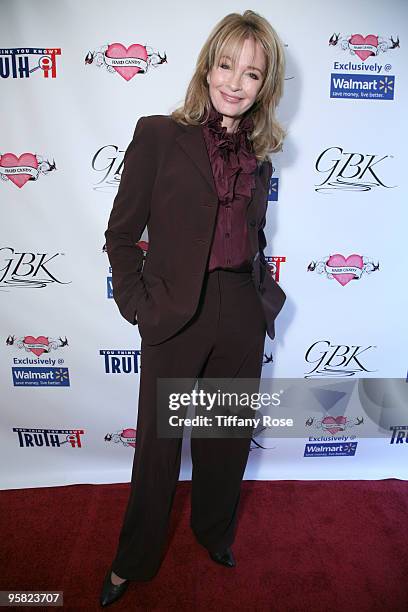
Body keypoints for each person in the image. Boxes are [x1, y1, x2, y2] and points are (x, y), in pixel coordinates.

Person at [100, 9, 287, 607]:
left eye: (252, 73)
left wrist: (260, 298)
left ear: (265, 86)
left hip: (239, 308)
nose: (235, 82)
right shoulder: (157, 134)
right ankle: (133, 561)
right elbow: (122, 234)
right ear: (208, 67)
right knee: (158, 447)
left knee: (224, 438)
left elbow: (250, 234)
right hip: (174, 312)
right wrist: (137, 304)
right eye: (226, 64)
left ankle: (213, 532)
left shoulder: (261, 159)